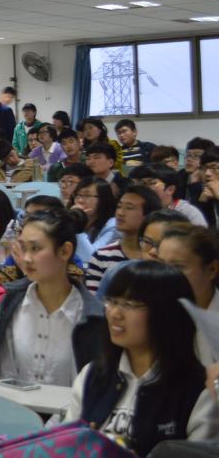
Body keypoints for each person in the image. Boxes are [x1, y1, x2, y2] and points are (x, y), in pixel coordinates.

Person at [63, 261, 219, 454]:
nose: (115, 314)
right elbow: (65, 446)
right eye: (112, 301)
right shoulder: (92, 375)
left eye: (130, 304)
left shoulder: (198, 391)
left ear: (166, 313)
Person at [0, 209, 106, 385]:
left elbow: (90, 388)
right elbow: (4, 375)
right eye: (23, 248)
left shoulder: (91, 316)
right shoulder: (11, 303)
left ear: (65, 251)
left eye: (35, 248)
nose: (26, 258)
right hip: (14, 401)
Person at [157, 225, 219, 363]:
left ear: (211, 270)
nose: (165, 274)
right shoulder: (150, 312)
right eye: (161, 265)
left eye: (178, 267)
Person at [86, 186, 162, 292]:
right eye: (119, 206)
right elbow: (94, 299)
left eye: (129, 208)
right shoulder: (102, 256)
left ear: (148, 215)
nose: (120, 213)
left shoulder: (158, 255)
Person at [129, 164, 207, 227]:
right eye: (143, 183)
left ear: (170, 189)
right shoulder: (140, 210)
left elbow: (202, 240)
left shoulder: (188, 212)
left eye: (152, 183)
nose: (145, 187)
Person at [70, 177, 119, 260]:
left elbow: (92, 259)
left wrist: (78, 229)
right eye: (78, 195)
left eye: (87, 195)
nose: (80, 200)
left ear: (103, 199)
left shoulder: (112, 225)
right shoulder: (72, 219)